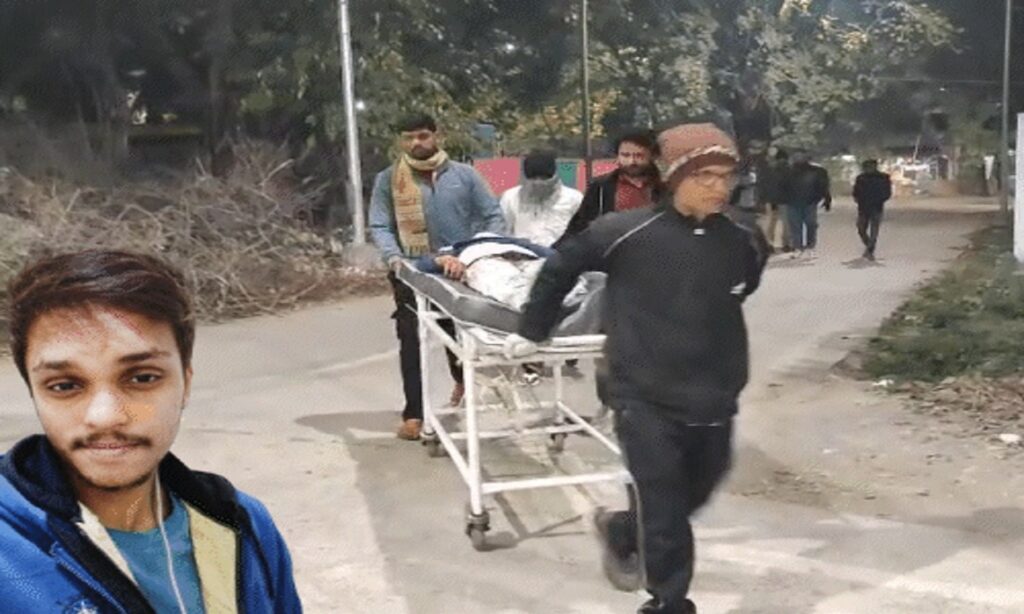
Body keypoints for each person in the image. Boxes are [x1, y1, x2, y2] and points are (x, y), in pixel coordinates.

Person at [504, 123, 768, 614]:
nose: (718, 187)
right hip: (641, 392)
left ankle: (625, 527)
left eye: (725, 176)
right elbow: (561, 266)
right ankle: (668, 601)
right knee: (665, 505)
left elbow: (746, 282)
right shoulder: (626, 233)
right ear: (673, 176)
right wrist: (533, 331)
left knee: (700, 485)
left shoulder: (742, 236)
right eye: (705, 175)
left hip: (714, 393)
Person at [0, 250, 302, 613]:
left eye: (142, 378)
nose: (105, 417)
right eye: (65, 386)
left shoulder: (244, 524)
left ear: (185, 383)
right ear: (34, 391)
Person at [369, 113, 506, 440]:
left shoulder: (465, 176)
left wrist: (473, 255)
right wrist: (394, 258)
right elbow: (380, 225)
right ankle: (414, 413)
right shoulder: (389, 180)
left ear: (436, 136)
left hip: (460, 272)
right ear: (401, 141)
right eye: (409, 137)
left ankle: (464, 384)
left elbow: (492, 216)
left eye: (422, 136)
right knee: (411, 340)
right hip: (411, 273)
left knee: (458, 337)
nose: (416, 143)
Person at [558, 129, 664, 242]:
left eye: (639, 156)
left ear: (652, 156)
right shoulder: (601, 187)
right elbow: (579, 228)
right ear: (617, 156)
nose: (631, 161)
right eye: (625, 155)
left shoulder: (665, 188)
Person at [500, 150, 583, 247]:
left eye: (544, 178)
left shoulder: (574, 199)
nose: (538, 183)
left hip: (560, 257)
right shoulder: (510, 198)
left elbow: (581, 235)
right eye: (533, 178)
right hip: (523, 256)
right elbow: (504, 233)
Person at [785, 149, 832, 259]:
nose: (798, 158)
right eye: (796, 156)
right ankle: (798, 247)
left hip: (810, 202)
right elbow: (781, 186)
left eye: (801, 155)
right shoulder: (787, 172)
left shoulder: (817, 171)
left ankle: (810, 246)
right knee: (795, 226)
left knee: (811, 224)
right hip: (792, 202)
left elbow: (824, 186)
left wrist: (827, 199)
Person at [852, 159, 893, 261]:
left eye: (870, 166)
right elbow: (855, 191)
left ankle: (870, 250)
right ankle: (869, 245)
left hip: (876, 207)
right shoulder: (861, 178)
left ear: (875, 166)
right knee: (861, 228)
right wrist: (857, 199)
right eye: (866, 167)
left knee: (874, 229)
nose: (868, 169)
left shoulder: (883, 178)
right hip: (863, 207)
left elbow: (887, 192)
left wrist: (880, 199)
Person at [759, 149, 792, 252]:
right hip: (786, 200)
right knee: (786, 223)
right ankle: (786, 244)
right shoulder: (790, 170)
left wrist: (762, 199)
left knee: (771, 222)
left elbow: (763, 185)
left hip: (772, 199)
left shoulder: (769, 169)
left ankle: (769, 243)